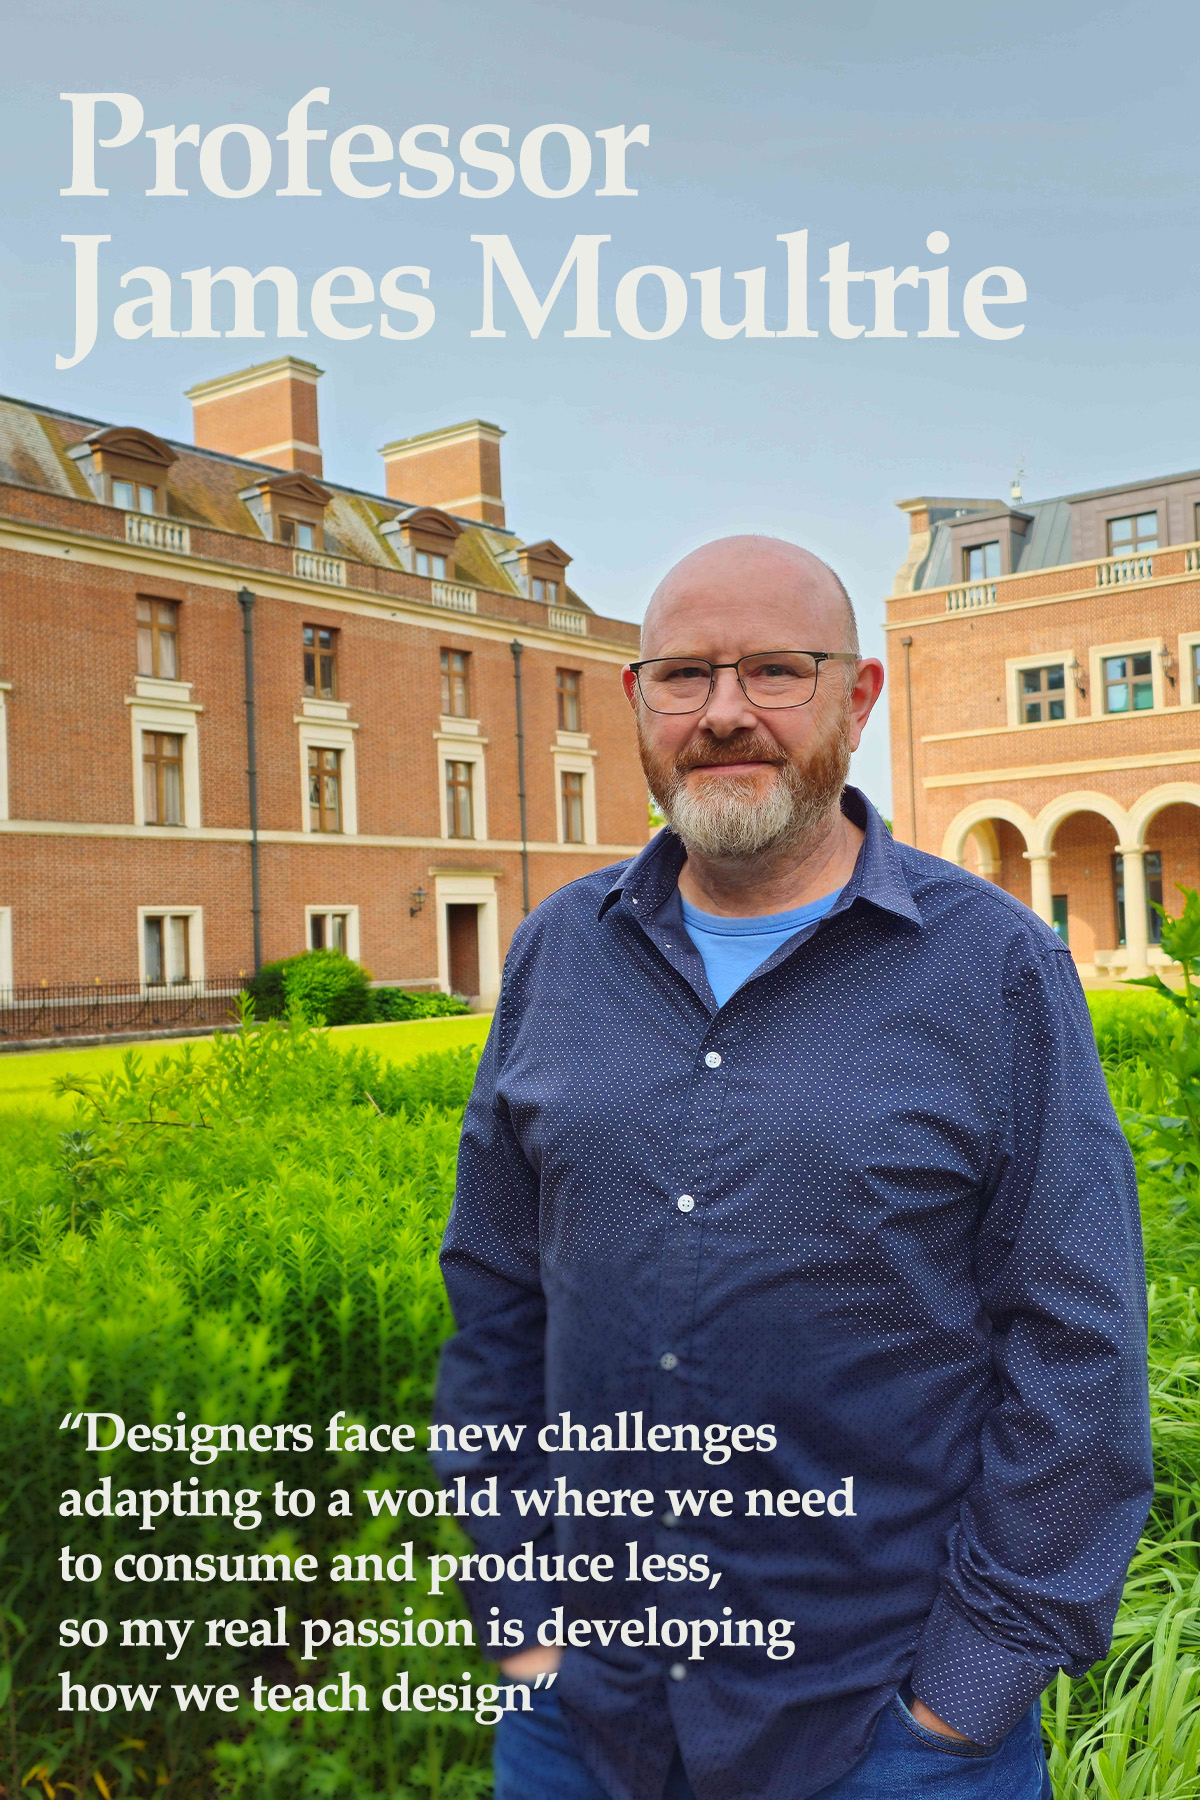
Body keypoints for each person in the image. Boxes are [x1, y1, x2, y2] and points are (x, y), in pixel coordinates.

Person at [432, 535, 1153, 1800]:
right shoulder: (560, 953)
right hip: (581, 1722)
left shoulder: (993, 968)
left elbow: (1077, 1346)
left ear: (857, 699)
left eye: (775, 670)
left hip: (882, 1735)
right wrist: (521, 1611)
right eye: (685, 675)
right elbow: (496, 1298)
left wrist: (963, 1695)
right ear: (637, 701)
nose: (724, 713)